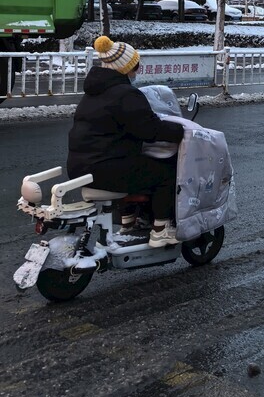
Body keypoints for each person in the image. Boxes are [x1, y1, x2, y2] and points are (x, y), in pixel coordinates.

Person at [67, 36, 185, 248]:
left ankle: (128, 223)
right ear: (126, 68)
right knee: (166, 174)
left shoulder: (93, 93)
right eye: (136, 66)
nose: (137, 71)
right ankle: (160, 230)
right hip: (105, 168)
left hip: (79, 167)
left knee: (135, 164)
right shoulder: (126, 94)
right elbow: (150, 130)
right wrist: (180, 130)